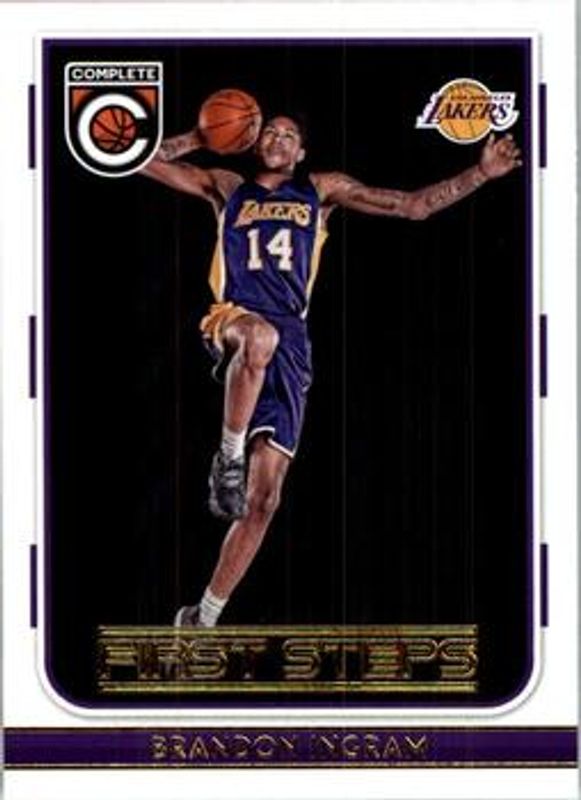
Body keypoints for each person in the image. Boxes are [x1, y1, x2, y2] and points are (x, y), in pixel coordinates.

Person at [140, 111, 521, 628]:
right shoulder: (227, 187)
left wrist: (481, 173)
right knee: (258, 338)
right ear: (252, 142)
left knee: (265, 500)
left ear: (300, 153)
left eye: (289, 134)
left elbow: (413, 206)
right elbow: (135, 159)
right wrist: (199, 137)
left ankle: (202, 618)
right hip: (234, 316)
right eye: (269, 130)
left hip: (293, 340)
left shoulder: (320, 191)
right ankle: (226, 459)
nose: (278, 137)